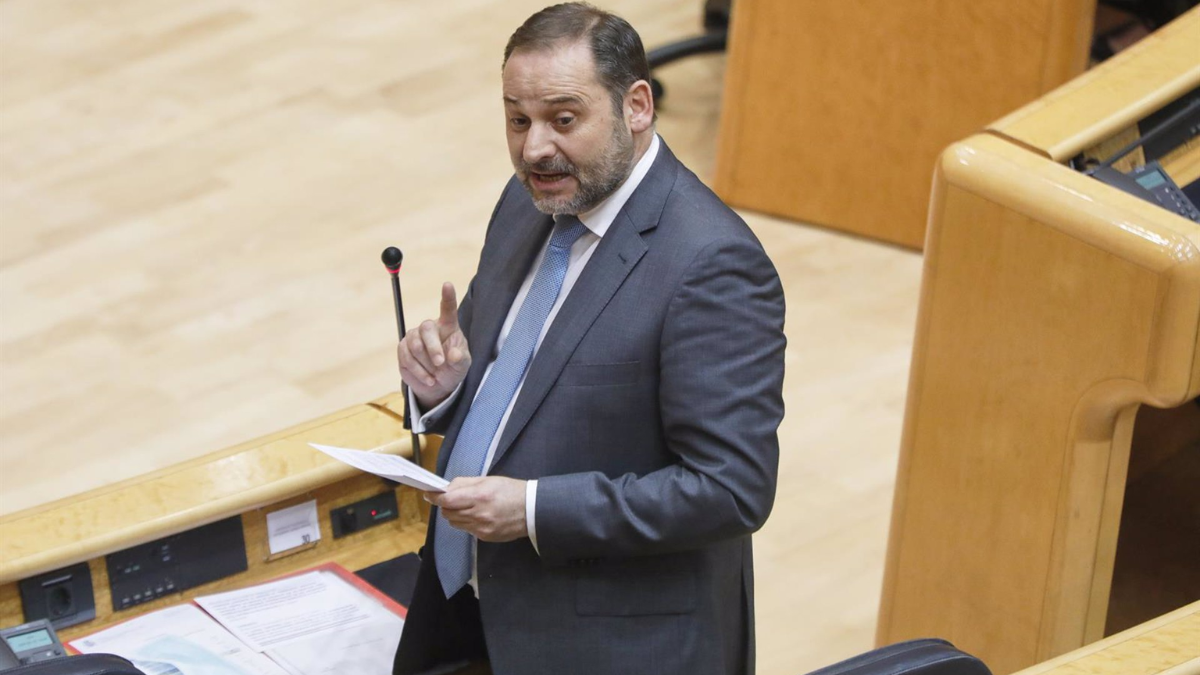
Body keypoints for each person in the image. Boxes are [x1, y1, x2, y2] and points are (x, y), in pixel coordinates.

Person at [392, 4, 785, 674]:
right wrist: (446, 392)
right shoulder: (529, 202)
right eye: (518, 119)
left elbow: (730, 488)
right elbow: (526, 395)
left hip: (613, 647)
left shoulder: (712, 264)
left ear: (637, 107)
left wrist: (535, 508)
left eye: (563, 119)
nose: (534, 147)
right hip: (472, 610)